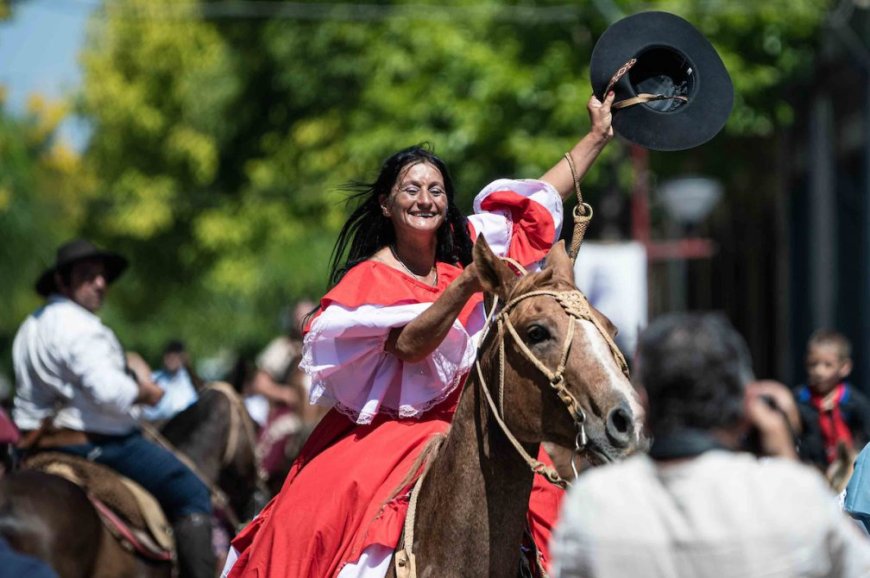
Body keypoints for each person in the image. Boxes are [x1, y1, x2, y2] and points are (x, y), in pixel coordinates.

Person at [222, 92, 617, 578]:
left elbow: (535, 202)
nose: (425, 199)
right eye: (411, 189)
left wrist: (596, 138)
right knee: (308, 524)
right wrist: (470, 282)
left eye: (435, 189)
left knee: (549, 509)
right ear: (387, 204)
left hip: (472, 422)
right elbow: (410, 346)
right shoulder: (368, 280)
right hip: (386, 435)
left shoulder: (463, 249)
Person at [550, 312, 870, 578]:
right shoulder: (793, 496)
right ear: (746, 406)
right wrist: (787, 462)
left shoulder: (594, 502)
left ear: (643, 406)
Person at [11, 239, 215, 578]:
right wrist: (145, 391)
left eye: (102, 276)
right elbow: (109, 392)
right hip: (96, 443)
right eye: (87, 275)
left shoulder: (30, 326)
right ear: (62, 281)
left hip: (34, 446)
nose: (100, 283)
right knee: (191, 492)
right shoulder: (81, 326)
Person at [793, 330, 870, 470]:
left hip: (848, 472)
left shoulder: (855, 402)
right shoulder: (799, 400)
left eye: (827, 365)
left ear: (844, 367)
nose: (819, 372)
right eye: (813, 364)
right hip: (812, 471)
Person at [141, 339, 199, 423]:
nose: (171, 360)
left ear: (182, 358)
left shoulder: (190, 381)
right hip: (156, 425)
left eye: (175, 356)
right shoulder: (153, 378)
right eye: (169, 356)